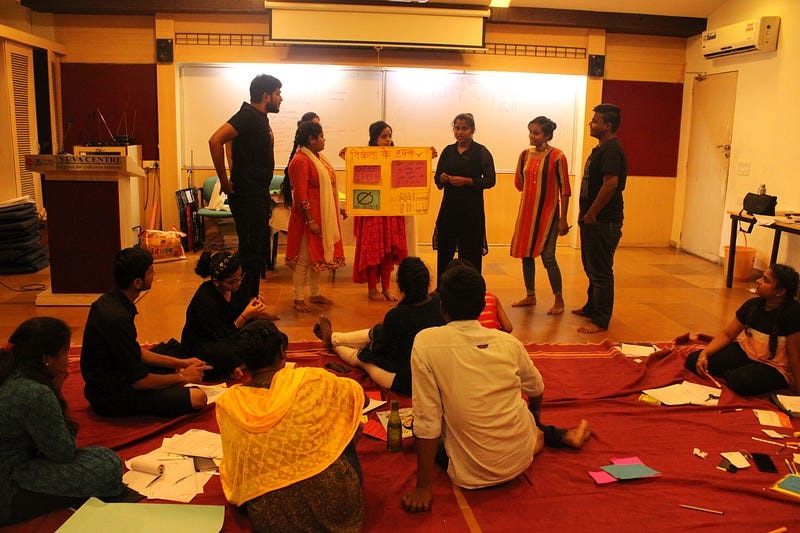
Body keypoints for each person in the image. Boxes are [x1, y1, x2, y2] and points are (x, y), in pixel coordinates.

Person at [402, 263, 591, 513]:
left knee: (425, 433)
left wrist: (423, 488)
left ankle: (541, 436)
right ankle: (549, 436)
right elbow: (536, 388)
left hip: (470, 473)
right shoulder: (508, 343)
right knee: (503, 409)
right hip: (520, 458)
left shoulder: (426, 342)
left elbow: (427, 420)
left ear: (442, 307)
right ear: (482, 306)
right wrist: (535, 420)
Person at [216, 320, 365, 532]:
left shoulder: (229, 403)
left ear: (244, 363)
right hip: (337, 512)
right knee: (348, 421)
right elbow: (361, 398)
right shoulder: (310, 379)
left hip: (271, 522)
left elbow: (235, 469)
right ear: (282, 352)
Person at [1, 317, 126, 526]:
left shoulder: (9, 371)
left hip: (14, 467)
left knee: (100, 456)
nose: (68, 361)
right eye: (65, 353)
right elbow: (62, 453)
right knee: (108, 465)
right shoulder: (34, 393)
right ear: (47, 359)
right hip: (10, 487)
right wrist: (56, 391)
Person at [81, 247, 211, 417]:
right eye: (150, 271)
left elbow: (134, 351)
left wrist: (181, 363)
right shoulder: (116, 318)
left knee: (173, 349)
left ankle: (172, 372)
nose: (154, 274)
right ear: (137, 282)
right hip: (112, 394)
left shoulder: (111, 300)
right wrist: (183, 377)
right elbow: (140, 382)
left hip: (121, 373)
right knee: (198, 398)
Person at [314, 256, 445, 395]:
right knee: (376, 333)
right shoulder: (439, 304)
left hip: (402, 381)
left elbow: (380, 348)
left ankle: (332, 343)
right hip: (434, 377)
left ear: (401, 286)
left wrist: (370, 348)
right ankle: (334, 337)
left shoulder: (398, 315)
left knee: (363, 357)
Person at [209, 74, 283, 302]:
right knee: (251, 255)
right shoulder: (248, 115)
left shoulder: (258, 118)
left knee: (256, 252)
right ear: (266, 96)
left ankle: (248, 298)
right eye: (278, 93)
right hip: (248, 196)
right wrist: (224, 180)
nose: (281, 98)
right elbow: (215, 140)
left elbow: (231, 141)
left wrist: (233, 166)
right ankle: (244, 307)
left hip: (256, 194)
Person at [685, 264, 800, 396]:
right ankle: (738, 371)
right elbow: (728, 335)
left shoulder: (793, 313)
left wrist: (798, 387)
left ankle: (739, 373)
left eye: (766, 280)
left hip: (774, 366)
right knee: (694, 360)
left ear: (780, 292)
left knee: (741, 381)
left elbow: (795, 354)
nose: (758, 281)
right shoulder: (753, 305)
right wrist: (704, 354)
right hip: (746, 352)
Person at [181, 250, 277, 381]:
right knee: (227, 354)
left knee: (268, 333)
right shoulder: (205, 299)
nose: (238, 283)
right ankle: (234, 366)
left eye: (240, 277)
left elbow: (242, 312)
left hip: (232, 336)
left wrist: (254, 305)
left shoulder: (235, 287)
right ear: (216, 281)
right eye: (232, 281)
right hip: (207, 344)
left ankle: (237, 365)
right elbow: (220, 336)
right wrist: (245, 316)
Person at [573, 103, 627, 334]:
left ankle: (600, 320)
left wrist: (592, 212)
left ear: (608, 125)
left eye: (595, 121)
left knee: (601, 271)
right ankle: (592, 306)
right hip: (592, 220)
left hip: (603, 221)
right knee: (591, 266)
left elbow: (611, 184)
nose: (590, 123)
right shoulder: (601, 149)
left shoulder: (612, 150)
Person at [510, 116, 572, 315]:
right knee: (526, 254)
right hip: (527, 214)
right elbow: (519, 182)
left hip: (549, 215)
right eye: (530, 132)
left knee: (548, 256)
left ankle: (559, 299)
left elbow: (565, 189)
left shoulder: (558, 156)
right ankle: (530, 295)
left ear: (547, 135)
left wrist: (563, 218)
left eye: (536, 133)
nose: (531, 136)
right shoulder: (524, 155)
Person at [285, 120, 347, 313]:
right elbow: (300, 194)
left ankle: (314, 293)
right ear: (312, 139)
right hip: (308, 219)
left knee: (316, 258)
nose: (324, 140)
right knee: (304, 259)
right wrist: (310, 220)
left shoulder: (317, 158)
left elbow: (329, 187)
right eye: (321, 136)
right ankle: (298, 298)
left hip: (321, 216)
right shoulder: (301, 161)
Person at [350, 121, 409, 301]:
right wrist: (348, 157)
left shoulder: (397, 157)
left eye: (389, 136)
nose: (388, 140)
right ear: (374, 138)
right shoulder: (365, 157)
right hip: (372, 212)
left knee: (388, 251)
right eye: (384, 136)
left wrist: (427, 157)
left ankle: (386, 287)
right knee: (373, 250)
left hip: (390, 211)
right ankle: (372, 289)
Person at [433, 112, 496, 283]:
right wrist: (442, 178)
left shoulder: (481, 151)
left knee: (471, 255)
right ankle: (442, 289)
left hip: (471, 211)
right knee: (445, 253)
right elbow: (437, 178)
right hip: (449, 210)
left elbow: (491, 180)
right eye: (457, 128)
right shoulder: (448, 151)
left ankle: (470, 289)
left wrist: (467, 181)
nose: (460, 132)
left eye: (464, 128)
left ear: (472, 130)